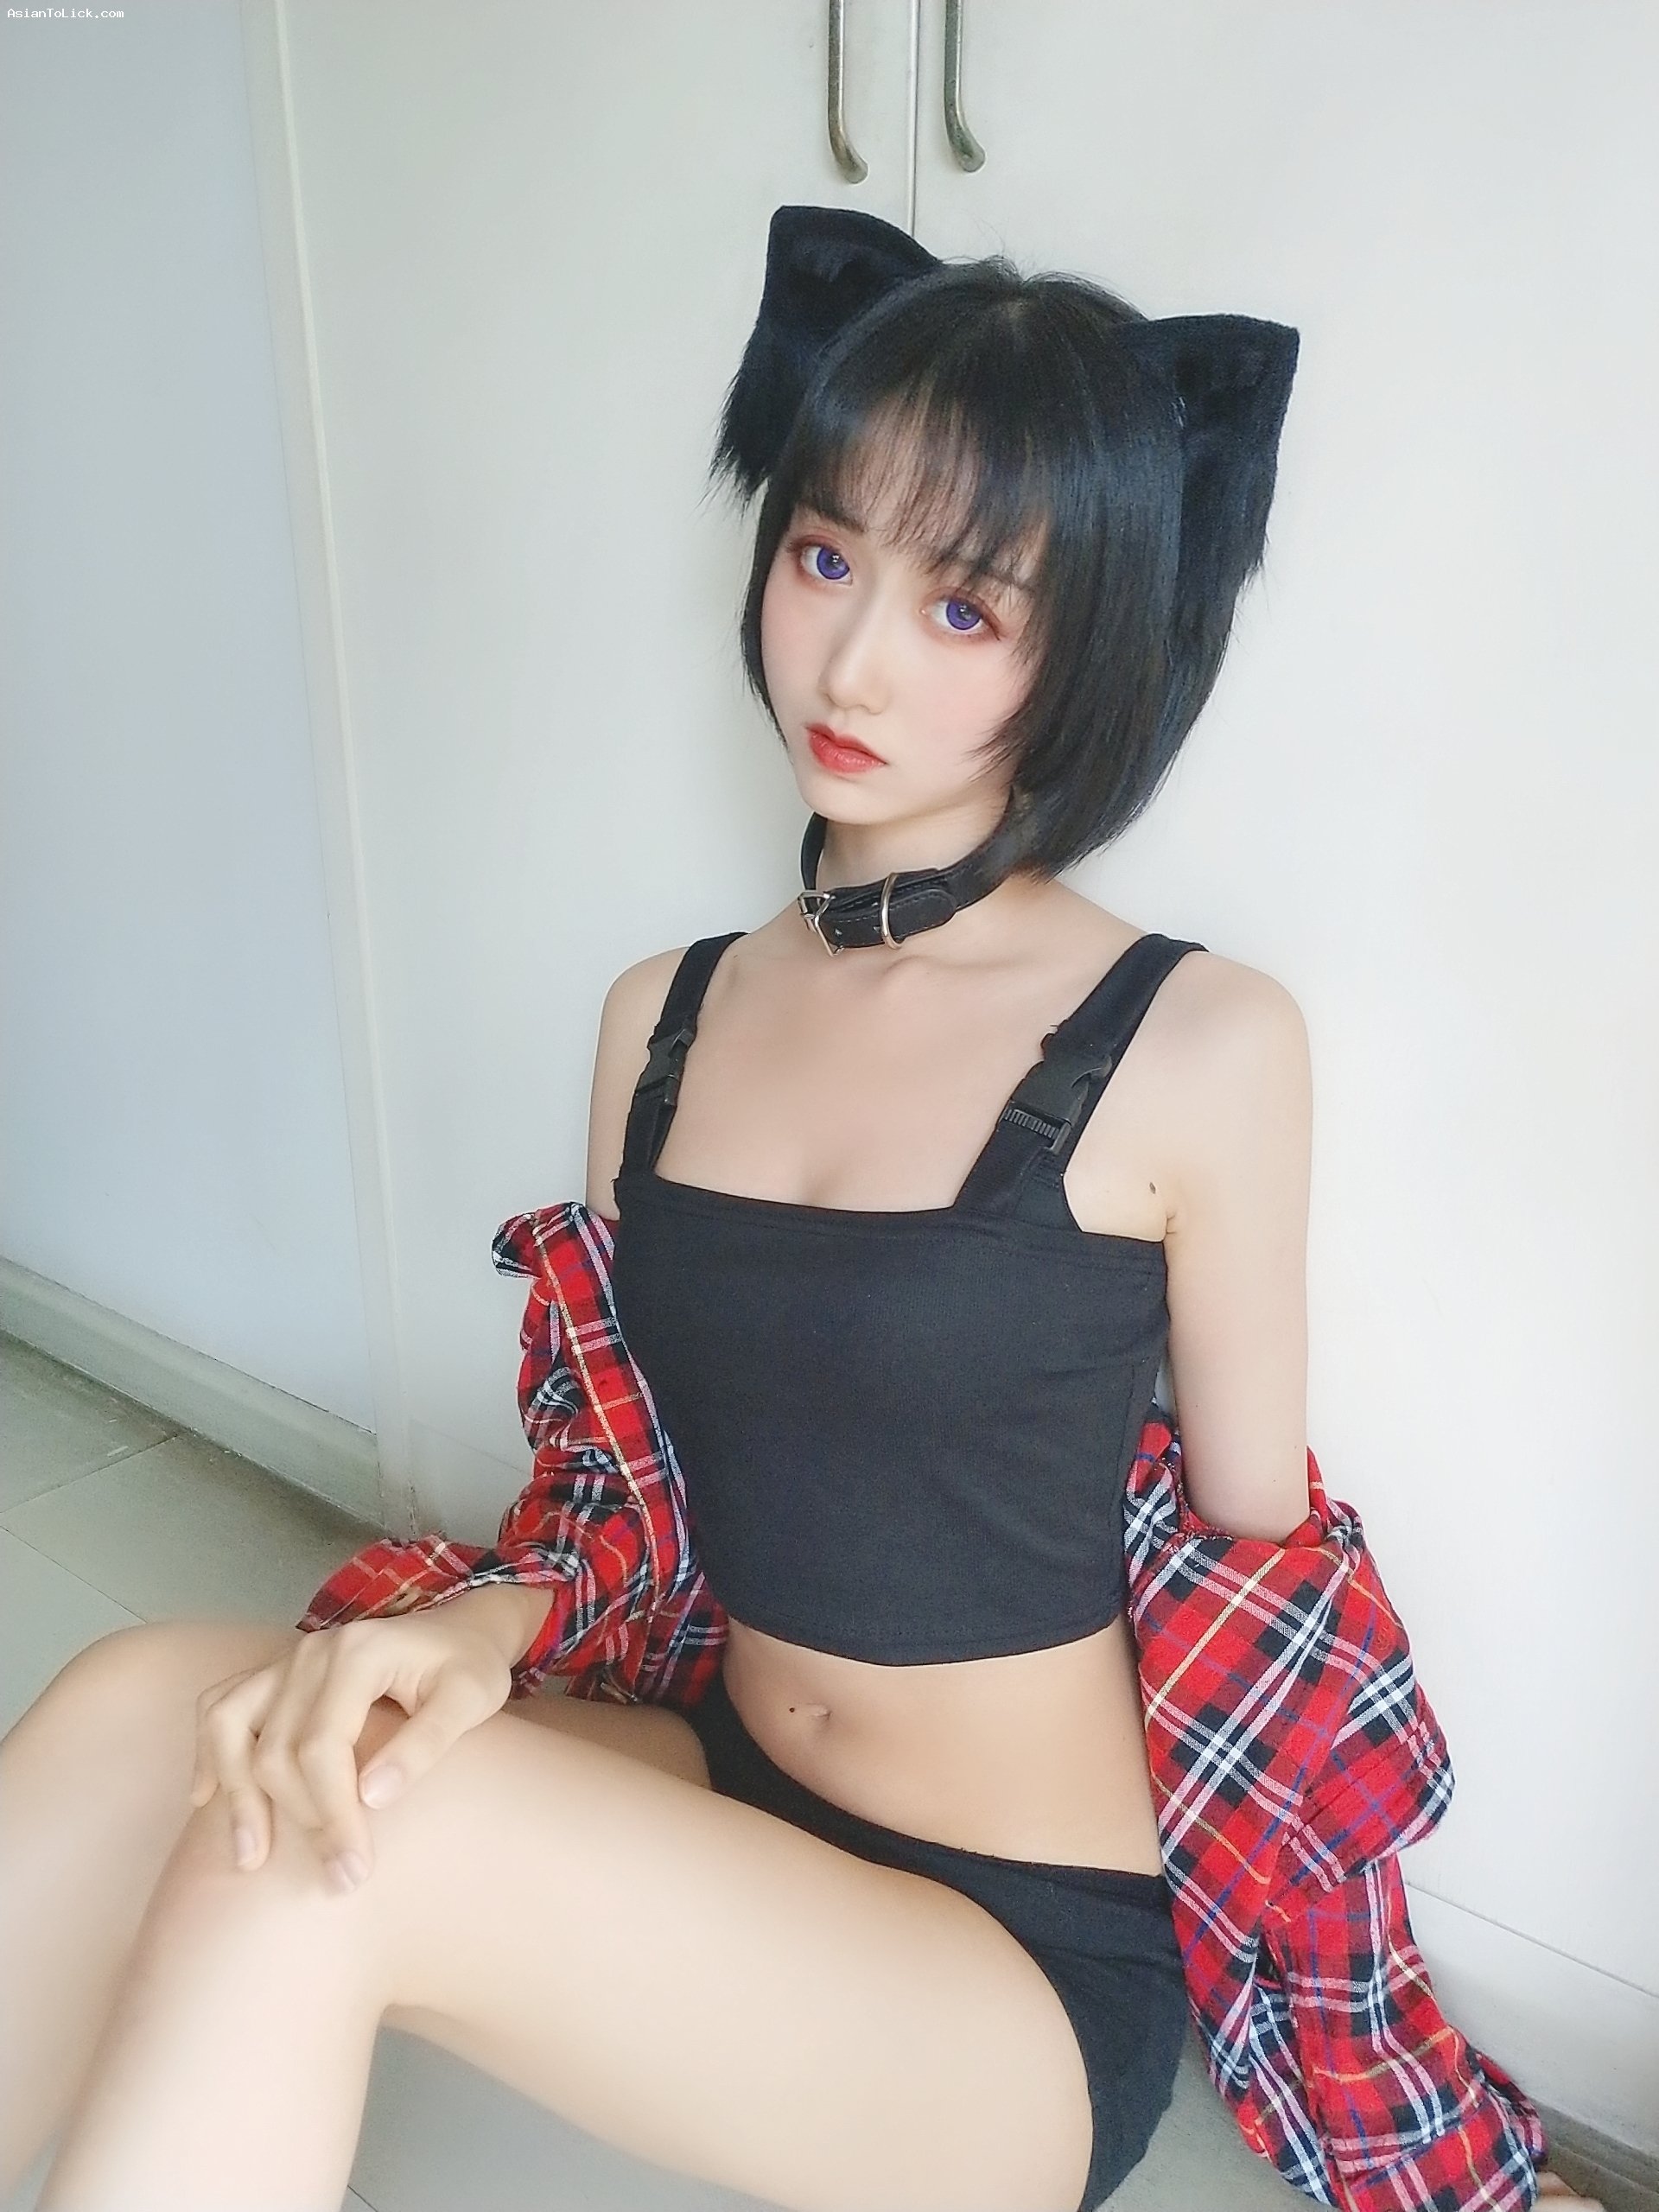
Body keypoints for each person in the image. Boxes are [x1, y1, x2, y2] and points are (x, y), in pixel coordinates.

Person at [0, 208, 1599, 2212]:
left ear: (1094, 647)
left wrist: (1413, 2114)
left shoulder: (1197, 1039)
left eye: (966, 606)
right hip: (721, 1775)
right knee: (149, 1707)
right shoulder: (659, 1018)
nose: (849, 659)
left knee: (335, 1849)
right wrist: (489, 1621)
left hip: (1012, 1956)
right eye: (827, 555)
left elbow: (1259, 1611)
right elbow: (636, 1494)